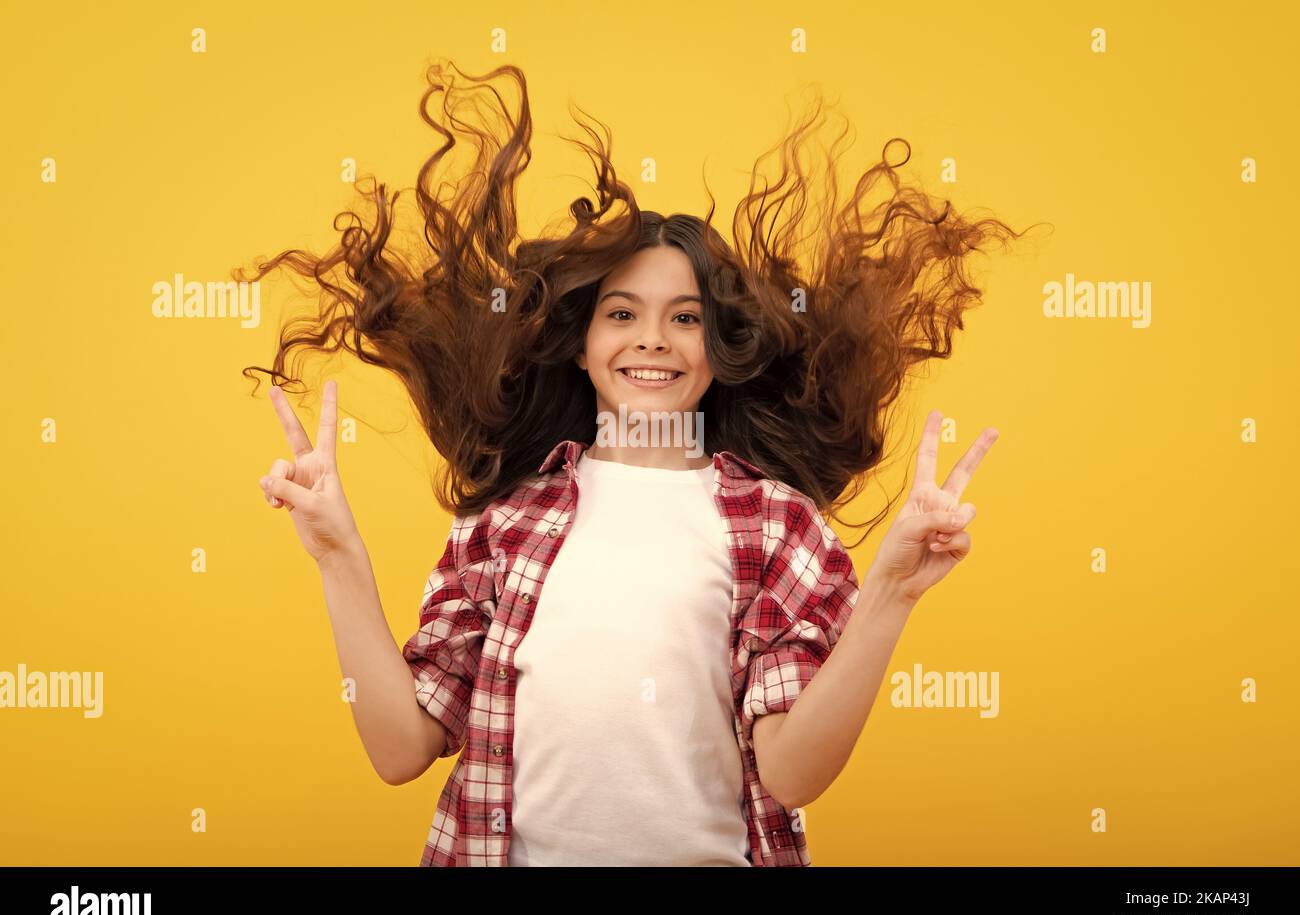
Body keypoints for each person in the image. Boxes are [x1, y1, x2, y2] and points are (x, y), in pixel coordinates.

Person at [242, 60, 1024, 865]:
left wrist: (891, 594)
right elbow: (400, 749)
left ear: (719, 351)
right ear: (580, 345)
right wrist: (338, 555)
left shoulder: (776, 523)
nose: (652, 338)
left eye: (685, 318)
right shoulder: (505, 519)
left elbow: (791, 774)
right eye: (622, 314)